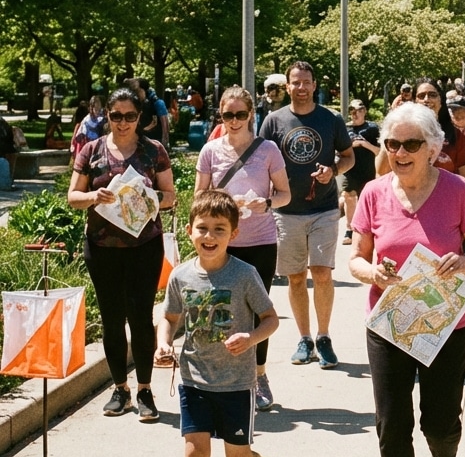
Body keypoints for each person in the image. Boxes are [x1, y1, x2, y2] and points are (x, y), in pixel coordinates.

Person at [349, 102, 465, 457]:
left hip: (446, 323)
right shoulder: (373, 193)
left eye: (411, 144)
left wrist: (464, 262)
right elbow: (355, 258)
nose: (400, 152)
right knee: (391, 425)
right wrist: (373, 273)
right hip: (390, 323)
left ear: (432, 148)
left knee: (440, 423)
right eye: (393, 144)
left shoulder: (456, 190)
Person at [157, 190, 280, 457]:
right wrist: (163, 343)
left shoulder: (244, 275)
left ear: (234, 234)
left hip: (236, 384)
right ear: (190, 231)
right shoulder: (181, 275)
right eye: (202, 228)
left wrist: (251, 338)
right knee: (195, 453)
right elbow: (170, 318)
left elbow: (270, 319)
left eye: (219, 229)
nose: (209, 236)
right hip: (194, 380)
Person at [67, 87, 176, 421]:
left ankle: (144, 390)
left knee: (141, 318)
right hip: (102, 248)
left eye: (130, 116)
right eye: (116, 115)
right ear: (107, 116)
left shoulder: (153, 150)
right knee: (112, 320)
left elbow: (170, 196)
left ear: (139, 117)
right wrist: (93, 197)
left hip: (144, 247)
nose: (123, 122)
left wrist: (146, 197)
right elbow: (73, 196)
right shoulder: (92, 150)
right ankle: (120, 390)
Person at [194, 86, 291, 411]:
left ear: (251, 115)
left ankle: (259, 376)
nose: (234, 121)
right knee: (221, 312)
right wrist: (224, 202)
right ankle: (222, 378)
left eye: (240, 114)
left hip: (260, 242)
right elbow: (199, 197)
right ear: (220, 115)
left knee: (259, 314)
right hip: (221, 243)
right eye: (227, 115)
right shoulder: (210, 151)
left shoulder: (267, 150)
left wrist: (265, 203)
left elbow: (285, 194)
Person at [258, 61, 354, 369]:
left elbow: (349, 156)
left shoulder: (331, 119)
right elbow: (261, 161)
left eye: (306, 82)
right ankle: (304, 339)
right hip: (286, 211)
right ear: (287, 86)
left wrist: (333, 170)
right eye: (296, 82)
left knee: (322, 273)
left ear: (314, 85)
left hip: (323, 208)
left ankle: (324, 337)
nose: (301, 87)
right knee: (296, 277)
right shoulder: (273, 121)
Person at [340, 99, 381, 245]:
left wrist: (364, 144)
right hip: (350, 169)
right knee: (348, 196)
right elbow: (338, 149)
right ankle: (349, 229)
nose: (355, 114)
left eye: (358, 110)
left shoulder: (372, 128)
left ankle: (369, 229)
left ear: (364, 111)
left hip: (368, 169)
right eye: (352, 110)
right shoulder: (345, 128)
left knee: (369, 199)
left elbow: (379, 151)